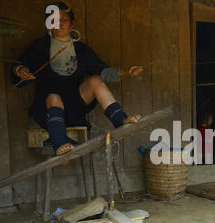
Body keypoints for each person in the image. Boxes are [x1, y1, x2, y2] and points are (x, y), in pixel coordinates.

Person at [11, 2, 142, 156]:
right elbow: (20, 66)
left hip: (74, 104)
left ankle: (121, 120)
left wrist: (126, 72)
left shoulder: (81, 49)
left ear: (72, 24)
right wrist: (21, 71)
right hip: (48, 106)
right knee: (53, 97)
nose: (59, 24)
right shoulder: (39, 46)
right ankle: (60, 143)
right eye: (54, 19)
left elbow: (102, 71)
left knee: (94, 80)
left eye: (64, 19)